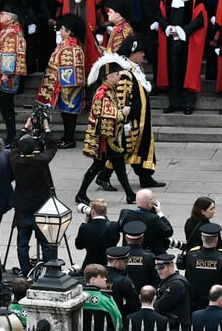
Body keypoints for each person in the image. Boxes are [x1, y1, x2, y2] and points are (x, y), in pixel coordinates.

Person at [96, 37, 166, 190]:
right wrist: (125, 120)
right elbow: (122, 99)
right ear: (132, 53)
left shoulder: (135, 68)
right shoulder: (125, 72)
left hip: (142, 117)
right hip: (132, 119)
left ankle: (145, 177)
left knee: (144, 146)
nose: (143, 55)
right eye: (140, 52)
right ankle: (103, 176)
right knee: (122, 149)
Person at [75, 54, 137, 205]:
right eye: (116, 75)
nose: (119, 77)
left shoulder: (110, 90)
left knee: (116, 165)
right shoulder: (102, 94)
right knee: (101, 166)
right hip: (106, 139)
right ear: (108, 77)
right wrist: (123, 113)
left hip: (111, 137)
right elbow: (107, 116)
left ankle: (129, 194)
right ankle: (81, 193)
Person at [155, 0, 207, 115]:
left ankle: (188, 104)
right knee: (173, 70)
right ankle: (174, 102)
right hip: (171, 39)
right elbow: (159, 14)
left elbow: (200, 18)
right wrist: (167, 27)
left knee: (188, 70)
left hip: (187, 39)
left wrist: (183, 30)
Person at [35, 14, 86, 149]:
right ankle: (66, 137)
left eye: (62, 29)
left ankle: (70, 139)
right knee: (65, 113)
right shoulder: (65, 45)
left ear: (69, 32)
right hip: (62, 86)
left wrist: (63, 87)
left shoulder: (72, 48)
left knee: (70, 114)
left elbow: (70, 71)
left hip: (68, 88)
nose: (60, 31)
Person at [10, 131, 56, 276]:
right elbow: (52, 148)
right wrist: (47, 131)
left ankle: (26, 271)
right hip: (40, 207)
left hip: (23, 207)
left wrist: (24, 128)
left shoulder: (15, 160)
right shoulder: (40, 161)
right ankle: (47, 271)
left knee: (22, 244)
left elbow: (13, 145)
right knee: (46, 244)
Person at [0, 0, 26, 144]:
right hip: (1, 75)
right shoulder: (8, 30)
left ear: (9, 16)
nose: (0, 16)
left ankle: (11, 137)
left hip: (4, 77)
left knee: (7, 107)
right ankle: (10, 135)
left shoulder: (12, 32)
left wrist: (6, 74)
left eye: (2, 14)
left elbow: (10, 53)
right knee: (5, 106)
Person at [54, 0, 105, 70]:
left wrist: (100, 30)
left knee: (88, 61)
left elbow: (100, 9)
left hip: (89, 28)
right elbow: (58, 8)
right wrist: (58, 30)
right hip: (68, 31)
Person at [184, 222, 222, 312]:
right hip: (216, 300)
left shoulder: (192, 255)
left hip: (195, 302)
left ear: (202, 238)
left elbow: (188, 275)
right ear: (216, 239)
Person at [74, 199, 120, 268]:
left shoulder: (84, 228)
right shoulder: (114, 226)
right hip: (107, 264)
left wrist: (86, 221)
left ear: (92, 212)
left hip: (90, 264)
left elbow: (79, 246)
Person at [154, 253, 191, 327]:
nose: (159, 271)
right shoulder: (167, 281)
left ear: (171, 266)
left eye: (162, 268)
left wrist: (153, 302)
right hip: (170, 325)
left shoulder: (177, 284)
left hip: (176, 327)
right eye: (157, 268)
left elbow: (161, 306)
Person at [105, 245, 141, 316]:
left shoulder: (96, 277)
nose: (127, 263)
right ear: (116, 262)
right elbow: (135, 305)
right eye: (125, 261)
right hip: (119, 317)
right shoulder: (124, 281)